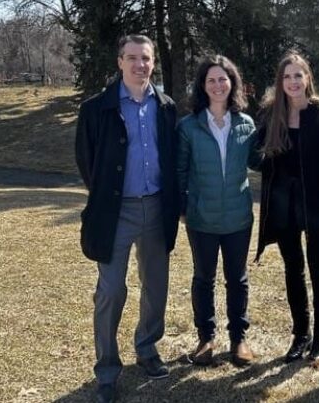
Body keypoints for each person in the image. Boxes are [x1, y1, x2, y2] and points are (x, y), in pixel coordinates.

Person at [75, 34, 180, 403]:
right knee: (111, 291)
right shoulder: (96, 109)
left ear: (153, 63)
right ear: (119, 62)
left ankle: (147, 349)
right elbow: (87, 161)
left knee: (156, 285)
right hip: (115, 212)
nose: (140, 64)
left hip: (156, 207)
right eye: (132, 57)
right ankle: (106, 370)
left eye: (146, 58)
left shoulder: (166, 107)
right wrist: (107, 197)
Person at [255, 52, 319, 363]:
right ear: (280, 81)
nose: (292, 81)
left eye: (298, 75)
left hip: (317, 201)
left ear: (308, 78)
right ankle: (300, 334)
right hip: (283, 203)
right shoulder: (270, 113)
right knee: (294, 269)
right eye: (287, 76)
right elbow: (258, 156)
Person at [176, 55, 259, 368]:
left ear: (232, 83)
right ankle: (206, 338)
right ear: (202, 85)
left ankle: (239, 339)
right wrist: (184, 208)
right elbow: (181, 171)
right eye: (211, 80)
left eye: (223, 79)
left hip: (238, 216)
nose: (217, 85)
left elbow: (258, 161)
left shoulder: (246, 124)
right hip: (202, 218)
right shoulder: (189, 127)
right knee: (203, 278)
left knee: (237, 280)